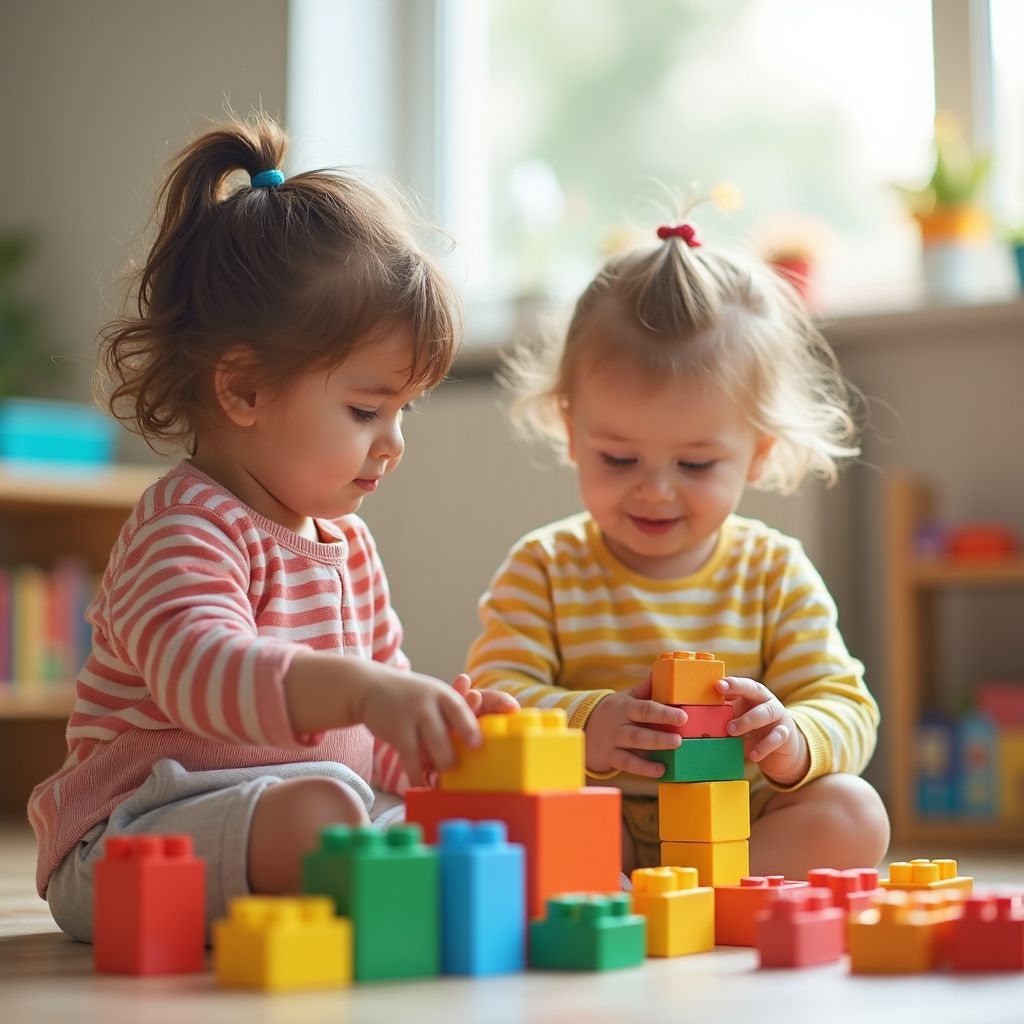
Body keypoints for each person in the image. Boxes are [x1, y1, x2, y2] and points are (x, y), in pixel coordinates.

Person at [29, 114, 515, 940]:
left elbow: (375, 742)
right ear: (244, 391)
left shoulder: (348, 545)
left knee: (425, 814)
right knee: (323, 810)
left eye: (403, 412)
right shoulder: (182, 526)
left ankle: (367, 888)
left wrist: (434, 739)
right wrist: (365, 691)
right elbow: (204, 672)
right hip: (136, 838)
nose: (393, 443)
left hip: (310, 806)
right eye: (366, 409)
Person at [466, 216, 889, 879]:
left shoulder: (773, 572)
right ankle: (631, 891)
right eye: (618, 458)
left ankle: (712, 892)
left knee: (856, 812)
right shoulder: (543, 568)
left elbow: (847, 706)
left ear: (758, 454)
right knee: (497, 807)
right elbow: (493, 695)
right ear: (572, 433)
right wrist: (589, 723)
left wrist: (793, 739)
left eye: (694, 466)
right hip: (599, 821)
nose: (655, 492)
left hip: (741, 829)